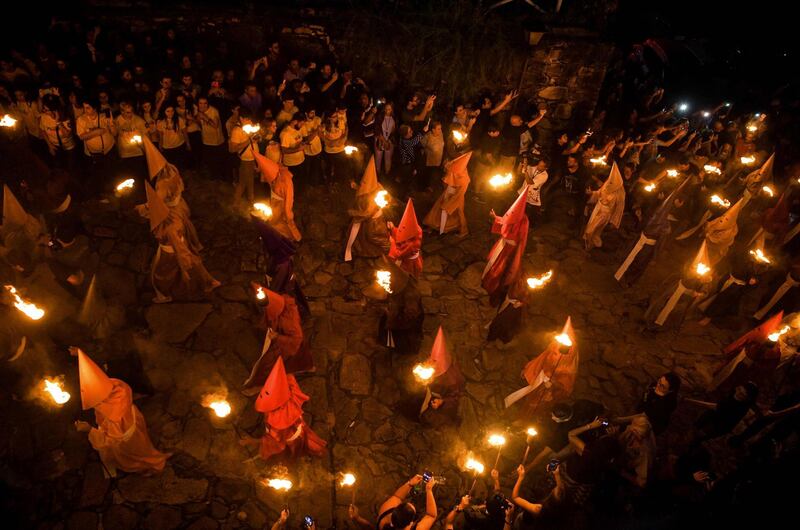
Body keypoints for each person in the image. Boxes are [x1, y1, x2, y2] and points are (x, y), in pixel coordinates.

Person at [71, 347, 169, 477]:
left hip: (126, 440)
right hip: (133, 422)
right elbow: (96, 376)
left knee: (133, 456)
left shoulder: (113, 417)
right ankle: (150, 459)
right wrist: (80, 355)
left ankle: (147, 466)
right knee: (143, 445)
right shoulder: (117, 387)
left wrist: (89, 429)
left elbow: (110, 441)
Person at [144, 181, 218, 303]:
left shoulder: (169, 225)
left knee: (160, 275)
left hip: (170, 250)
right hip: (178, 243)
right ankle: (208, 282)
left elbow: (176, 244)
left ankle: (164, 296)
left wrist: (184, 259)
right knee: (193, 262)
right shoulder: (176, 207)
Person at [241, 357, 325, 460]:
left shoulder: (277, 423)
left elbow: (275, 442)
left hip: (289, 439)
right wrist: (282, 371)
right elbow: (290, 380)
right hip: (298, 429)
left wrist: (252, 441)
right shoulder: (291, 397)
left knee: (292, 452)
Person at [242, 284, 313, 394]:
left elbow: (296, 339)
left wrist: (278, 337)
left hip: (290, 342)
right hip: (285, 336)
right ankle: (306, 366)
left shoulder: (289, 320)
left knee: (268, 362)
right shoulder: (276, 303)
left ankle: (261, 385)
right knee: (298, 361)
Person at [505, 317, 579, 419]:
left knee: (539, 405)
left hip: (548, 390)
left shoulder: (568, 365)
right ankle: (522, 415)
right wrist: (528, 368)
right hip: (540, 379)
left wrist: (552, 385)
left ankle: (531, 419)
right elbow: (542, 358)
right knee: (530, 398)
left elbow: (565, 386)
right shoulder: (555, 346)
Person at [482, 191, 529, 307]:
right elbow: (505, 221)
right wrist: (495, 217)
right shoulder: (513, 213)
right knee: (494, 265)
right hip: (503, 245)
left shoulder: (524, 221)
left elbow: (519, 237)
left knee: (502, 270)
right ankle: (490, 284)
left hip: (509, 249)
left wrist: (508, 239)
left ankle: (496, 289)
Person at [344, 156, 390, 261]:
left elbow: (367, 213)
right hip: (369, 219)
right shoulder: (377, 186)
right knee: (362, 238)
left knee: (369, 237)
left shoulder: (368, 198)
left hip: (372, 222)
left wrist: (353, 213)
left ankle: (375, 253)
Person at [417, 327, 464, 426]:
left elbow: (456, 397)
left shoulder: (452, 379)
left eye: (433, 362)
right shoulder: (431, 363)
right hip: (429, 393)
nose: (430, 362)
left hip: (441, 400)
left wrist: (442, 402)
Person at [687, 382, 759, 443]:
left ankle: (692, 443)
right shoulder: (734, 393)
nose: (738, 393)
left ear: (747, 398)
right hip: (715, 414)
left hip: (721, 425)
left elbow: (715, 408)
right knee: (699, 423)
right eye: (739, 389)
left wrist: (690, 401)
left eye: (742, 394)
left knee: (700, 436)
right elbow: (718, 406)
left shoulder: (740, 407)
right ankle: (692, 433)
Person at [254, 153, 302, 242]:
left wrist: (288, 214)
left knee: (282, 221)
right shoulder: (276, 174)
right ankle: (280, 236)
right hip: (275, 202)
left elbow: (288, 199)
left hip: (281, 204)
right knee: (275, 221)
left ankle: (290, 237)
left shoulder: (286, 182)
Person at [423, 151, 472, 237]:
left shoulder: (463, 177)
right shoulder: (455, 168)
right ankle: (434, 226)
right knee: (438, 208)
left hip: (457, 195)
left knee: (458, 212)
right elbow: (448, 180)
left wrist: (449, 204)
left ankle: (463, 230)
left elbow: (459, 193)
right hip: (449, 191)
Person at [583, 162, 626, 250]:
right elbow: (599, 193)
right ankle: (589, 244)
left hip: (604, 214)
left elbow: (619, 208)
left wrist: (614, 221)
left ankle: (591, 243)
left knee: (592, 229)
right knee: (591, 227)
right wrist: (591, 193)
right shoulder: (608, 183)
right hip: (598, 208)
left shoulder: (620, 192)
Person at [229, 108, 260, 207]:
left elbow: (252, 141)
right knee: (243, 182)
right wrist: (249, 140)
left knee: (250, 180)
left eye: (251, 120)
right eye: (247, 119)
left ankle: (249, 199)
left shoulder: (248, 127)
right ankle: (237, 202)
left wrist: (255, 139)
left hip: (252, 159)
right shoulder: (236, 130)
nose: (250, 122)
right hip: (245, 161)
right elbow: (232, 149)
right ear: (241, 118)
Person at [389, 199, 423, 278]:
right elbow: (401, 233)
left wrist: (392, 241)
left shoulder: (412, 244)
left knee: (406, 275)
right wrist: (393, 228)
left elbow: (399, 254)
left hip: (409, 262)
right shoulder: (415, 229)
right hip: (409, 257)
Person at [196, 96, 226, 179]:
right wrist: (197, 119)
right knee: (210, 160)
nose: (203, 105)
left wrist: (204, 116)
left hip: (217, 141)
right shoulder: (198, 111)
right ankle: (213, 175)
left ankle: (221, 176)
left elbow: (215, 125)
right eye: (200, 103)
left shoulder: (213, 111)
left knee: (218, 160)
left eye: (205, 103)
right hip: (206, 140)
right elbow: (200, 124)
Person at [517, 157, 549, 228]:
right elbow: (519, 173)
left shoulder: (545, 176)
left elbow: (530, 182)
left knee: (532, 215)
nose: (538, 166)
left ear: (546, 168)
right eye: (538, 164)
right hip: (522, 192)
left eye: (541, 166)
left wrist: (525, 170)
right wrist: (520, 164)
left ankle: (534, 225)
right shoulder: (533, 168)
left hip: (532, 196)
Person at [374, 102, 396, 176]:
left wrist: (388, 141)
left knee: (388, 159)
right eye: (386, 109)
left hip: (389, 140)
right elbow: (377, 129)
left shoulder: (394, 118)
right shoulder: (379, 117)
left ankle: (387, 175)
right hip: (380, 140)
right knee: (378, 159)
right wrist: (383, 140)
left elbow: (394, 131)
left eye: (389, 109)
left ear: (392, 110)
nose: (387, 111)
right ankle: (377, 175)